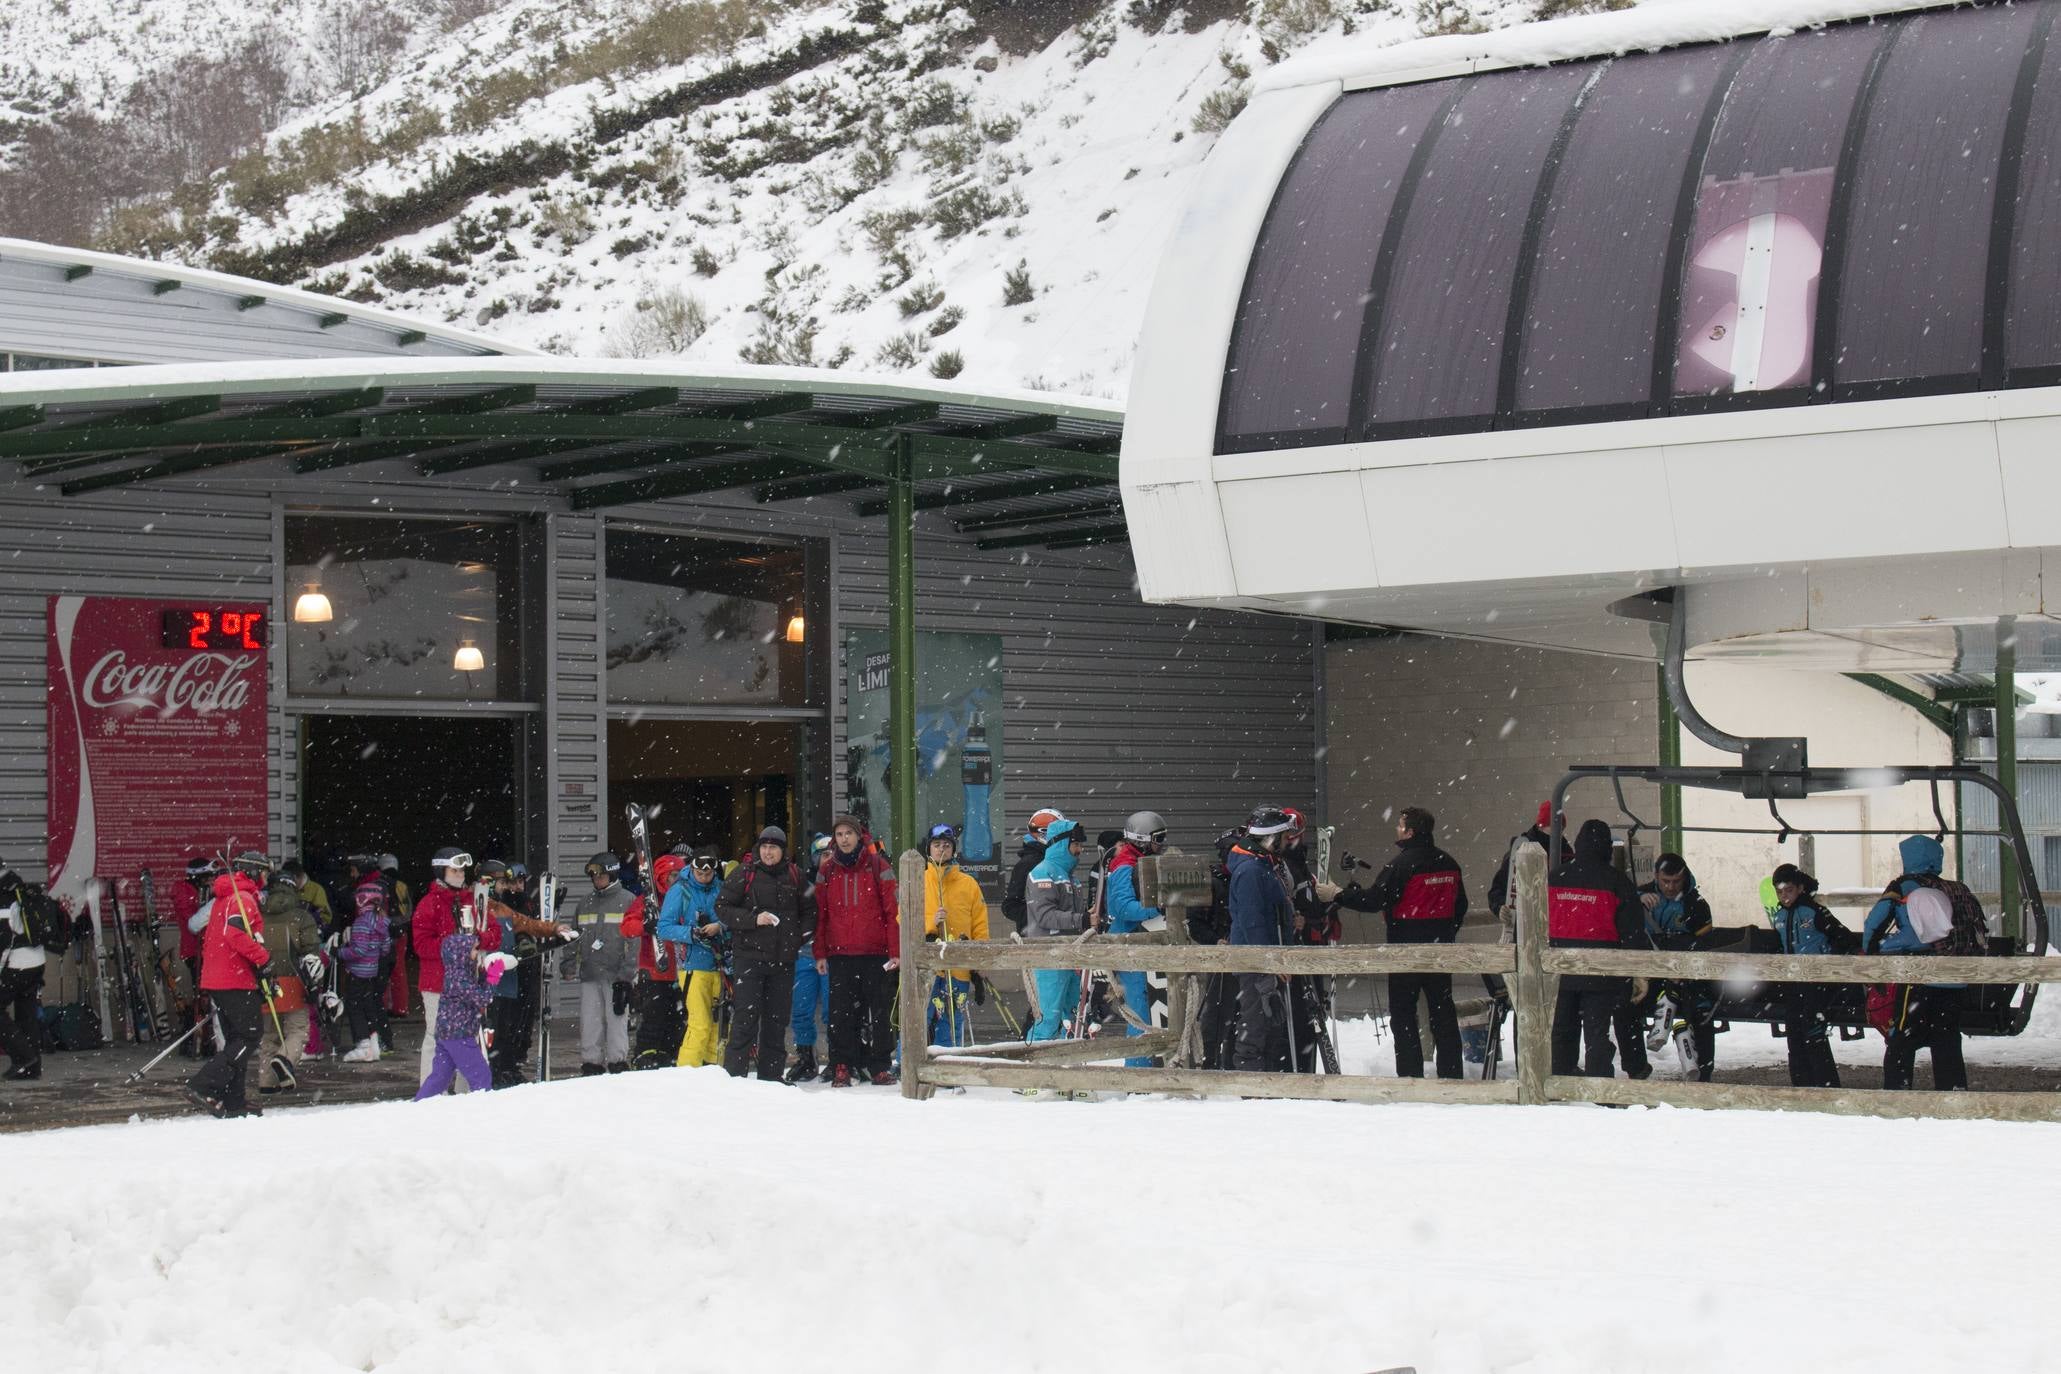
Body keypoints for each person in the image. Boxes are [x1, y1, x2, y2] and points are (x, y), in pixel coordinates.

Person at [1336, 807, 1468, 1079]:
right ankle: (1452, 1074)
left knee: (1404, 1016)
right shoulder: (1449, 862)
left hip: (1404, 951)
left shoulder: (1401, 864)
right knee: (1443, 1015)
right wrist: (1446, 931)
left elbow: (1374, 901)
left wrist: (1340, 895)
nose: (1397, 829)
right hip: (1440, 951)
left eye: (1400, 825)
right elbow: (1461, 905)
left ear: (1409, 832)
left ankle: (1409, 1076)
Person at [1863, 835, 1971, 1092]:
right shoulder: (1953, 888)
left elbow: (1875, 925)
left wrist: (1876, 953)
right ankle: (1953, 1094)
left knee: (1902, 1038)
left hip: (1918, 979)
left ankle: (1897, 1095)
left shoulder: (1904, 887)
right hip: (1955, 977)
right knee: (1947, 1040)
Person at [717, 827, 815, 1081]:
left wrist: (799, 937)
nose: (768, 852)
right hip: (749, 958)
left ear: (783, 851)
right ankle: (735, 1078)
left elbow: (810, 910)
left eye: (774, 847)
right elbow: (722, 907)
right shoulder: (744, 873)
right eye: (764, 846)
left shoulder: (796, 875)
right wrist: (753, 919)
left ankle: (771, 1078)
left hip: (783, 960)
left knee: (777, 1021)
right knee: (745, 1019)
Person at [1546, 820, 1642, 1078]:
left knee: (1561, 1029)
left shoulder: (1554, 879)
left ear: (1577, 845)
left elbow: (1536, 924)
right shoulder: (1617, 882)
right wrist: (1637, 973)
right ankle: (1600, 1088)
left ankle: (1560, 1079)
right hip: (1602, 972)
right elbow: (1632, 932)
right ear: (1608, 848)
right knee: (1597, 1034)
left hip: (1560, 969)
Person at [185, 852, 275, 1118]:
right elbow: (235, 934)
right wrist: (263, 958)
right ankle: (203, 1085)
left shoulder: (223, 898)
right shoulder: (243, 898)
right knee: (249, 1036)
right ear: (253, 872)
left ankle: (234, 1101)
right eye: (264, 873)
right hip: (235, 979)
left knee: (237, 1039)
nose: (265, 879)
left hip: (218, 978)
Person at [814, 816, 899, 1086]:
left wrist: (895, 951)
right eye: (839, 834)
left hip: (876, 953)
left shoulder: (878, 865)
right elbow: (820, 915)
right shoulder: (827, 871)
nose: (844, 839)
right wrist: (820, 953)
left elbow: (892, 912)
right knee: (840, 1014)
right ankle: (842, 1063)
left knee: (880, 1012)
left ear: (859, 835)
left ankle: (880, 1066)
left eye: (849, 833)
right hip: (839, 954)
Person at [1617, 853, 1718, 1081]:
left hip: (1689, 977)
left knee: (1702, 1011)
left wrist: (1680, 968)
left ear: (1685, 878)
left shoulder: (1697, 905)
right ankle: (1636, 1068)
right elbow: (1625, 930)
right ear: (1656, 876)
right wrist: (1636, 903)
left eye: (1676, 882)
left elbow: (1704, 947)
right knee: (1624, 1008)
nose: (1670, 887)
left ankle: (1703, 1074)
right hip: (1648, 975)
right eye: (1665, 881)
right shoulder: (1639, 897)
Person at [414, 907, 517, 1100]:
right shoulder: (459, 978)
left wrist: (485, 974)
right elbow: (483, 998)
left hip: (447, 1034)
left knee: (439, 1078)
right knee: (481, 1075)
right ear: (460, 953)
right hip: (458, 1034)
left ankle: (421, 1104)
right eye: (474, 949)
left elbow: (475, 992)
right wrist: (494, 975)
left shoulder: (457, 974)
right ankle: (482, 1107)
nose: (477, 952)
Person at [1767, 863, 1851, 1088]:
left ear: (1800, 888)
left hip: (1817, 982)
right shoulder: (1780, 916)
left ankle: (1826, 1085)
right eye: (1780, 891)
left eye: (1789, 890)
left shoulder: (1814, 911)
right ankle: (1801, 1085)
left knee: (1814, 1032)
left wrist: (1830, 964)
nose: (1784, 896)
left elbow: (1842, 936)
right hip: (1792, 983)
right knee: (1794, 1034)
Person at [1227, 806, 1297, 1072]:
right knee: (1255, 1021)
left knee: (1269, 1020)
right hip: (1255, 961)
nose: (1286, 843)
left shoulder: (1264, 866)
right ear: (1270, 838)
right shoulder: (1252, 871)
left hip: (1266, 958)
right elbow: (1252, 921)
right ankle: (1251, 1079)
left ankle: (1267, 1076)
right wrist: (1270, 963)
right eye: (1282, 837)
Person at [1103, 810, 1168, 1066]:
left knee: (1154, 1009)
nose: (1161, 845)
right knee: (1141, 1012)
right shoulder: (1125, 866)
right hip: (1129, 945)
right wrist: (1160, 908)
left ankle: (1149, 1067)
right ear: (1142, 839)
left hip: (1143, 944)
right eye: (1158, 838)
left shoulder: (1143, 863)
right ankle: (1138, 1074)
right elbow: (1121, 908)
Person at [566, 852, 637, 1076]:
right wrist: (569, 962)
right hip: (590, 972)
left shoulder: (628, 901)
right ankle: (591, 1062)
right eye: (594, 877)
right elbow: (574, 935)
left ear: (613, 874)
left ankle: (617, 1061)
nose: (597, 881)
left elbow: (635, 941)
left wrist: (627, 974)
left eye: (602, 876)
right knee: (590, 1020)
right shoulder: (585, 902)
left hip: (617, 974)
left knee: (616, 1018)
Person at [255, 868, 324, 1094]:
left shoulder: (258, 913)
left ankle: (266, 1082)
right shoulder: (302, 915)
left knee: (269, 1034)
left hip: (266, 981)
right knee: (298, 1030)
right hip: (294, 982)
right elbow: (311, 952)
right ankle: (285, 1060)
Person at [920, 823, 988, 1047]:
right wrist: (931, 923)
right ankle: (908, 1064)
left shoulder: (968, 884)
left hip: (958, 966)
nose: (941, 850)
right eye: (937, 845)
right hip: (928, 965)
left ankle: (949, 1061)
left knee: (951, 1017)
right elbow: (904, 920)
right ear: (929, 849)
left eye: (946, 845)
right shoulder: (919, 882)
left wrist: (978, 960)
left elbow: (979, 924)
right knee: (921, 1016)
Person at [1024, 817, 1090, 1041]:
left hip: (1069, 957)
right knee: (1049, 1018)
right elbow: (1044, 916)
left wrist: (1086, 922)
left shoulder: (1071, 878)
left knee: (1071, 1017)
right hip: (1048, 958)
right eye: (1076, 845)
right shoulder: (1043, 873)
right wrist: (1081, 920)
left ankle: (1064, 1066)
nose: (1080, 850)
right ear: (1062, 844)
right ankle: (1036, 1068)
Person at [663, 848, 729, 1068]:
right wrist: (691, 933)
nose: (703, 877)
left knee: (717, 1026)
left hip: (719, 964)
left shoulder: (720, 888)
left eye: (708, 874)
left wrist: (719, 927)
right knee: (699, 1023)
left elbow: (731, 920)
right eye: (699, 873)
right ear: (691, 869)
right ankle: (687, 1072)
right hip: (692, 964)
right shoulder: (680, 890)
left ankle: (714, 1070)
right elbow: (664, 928)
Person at [623, 851, 689, 1071]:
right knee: (654, 1016)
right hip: (654, 970)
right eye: (672, 875)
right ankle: (646, 1054)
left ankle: (669, 1053)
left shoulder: (684, 897)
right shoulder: (648, 901)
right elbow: (627, 927)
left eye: (680, 875)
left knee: (678, 1018)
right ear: (661, 876)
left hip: (680, 970)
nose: (676, 880)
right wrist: (645, 925)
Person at [785, 834, 835, 1084]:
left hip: (831, 953)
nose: (828, 859)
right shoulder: (801, 883)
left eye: (832, 854)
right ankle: (805, 1057)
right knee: (801, 1009)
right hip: (804, 952)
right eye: (824, 855)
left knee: (831, 1010)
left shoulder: (842, 879)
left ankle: (838, 1058)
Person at [337, 856, 393, 1064]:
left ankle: (363, 1044)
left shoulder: (361, 922)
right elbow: (385, 947)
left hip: (358, 973)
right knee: (370, 1006)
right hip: (372, 972)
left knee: (354, 1006)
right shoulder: (382, 921)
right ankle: (374, 1041)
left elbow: (357, 950)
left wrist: (340, 952)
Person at [0, 871, 48, 1080]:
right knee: (26, 1012)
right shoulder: (18, 886)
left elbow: (3, 938)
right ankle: (32, 1068)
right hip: (37, 960)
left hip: (17, 963)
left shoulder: (3, 895)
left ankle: (23, 1057)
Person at [173, 855, 220, 1056]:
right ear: (197, 877)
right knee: (201, 998)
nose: (211, 881)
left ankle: (207, 1040)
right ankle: (196, 1041)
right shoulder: (184, 892)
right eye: (208, 877)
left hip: (207, 950)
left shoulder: (202, 892)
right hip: (194, 951)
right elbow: (193, 923)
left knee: (208, 997)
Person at [1003, 807, 1067, 932]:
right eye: (1061, 836)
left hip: (1060, 934)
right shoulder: (1028, 864)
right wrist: (1038, 919)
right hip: (1038, 938)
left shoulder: (1059, 862)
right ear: (1045, 834)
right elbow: (1010, 906)